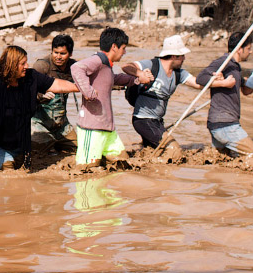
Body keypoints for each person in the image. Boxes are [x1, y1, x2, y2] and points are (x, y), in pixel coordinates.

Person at [70, 27, 142, 171]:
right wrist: (88, 92)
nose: (125, 52)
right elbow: (76, 68)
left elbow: (114, 79)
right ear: (114, 47)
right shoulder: (98, 60)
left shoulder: (106, 66)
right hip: (92, 127)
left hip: (107, 127)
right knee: (87, 168)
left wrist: (136, 80)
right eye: (123, 48)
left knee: (123, 162)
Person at [120, 34, 203, 155]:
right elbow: (126, 66)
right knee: (175, 150)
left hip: (157, 122)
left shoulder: (179, 74)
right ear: (174, 56)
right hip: (143, 120)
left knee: (153, 152)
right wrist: (140, 74)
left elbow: (197, 83)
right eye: (182, 56)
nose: (184, 58)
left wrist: (220, 82)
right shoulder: (153, 65)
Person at [196, 32, 253, 168]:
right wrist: (222, 83)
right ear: (240, 49)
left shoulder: (235, 66)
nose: (251, 52)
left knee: (222, 163)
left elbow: (244, 87)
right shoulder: (223, 62)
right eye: (249, 48)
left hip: (220, 123)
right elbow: (200, 78)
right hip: (225, 124)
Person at [31, 34, 79, 153]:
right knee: (41, 146)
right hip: (38, 121)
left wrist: (120, 85)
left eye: (62, 54)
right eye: (55, 52)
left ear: (70, 53)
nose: (58, 57)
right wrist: (40, 95)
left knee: (79, 149)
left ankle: (57, 142)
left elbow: (92, 81)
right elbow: (25, 92)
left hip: (61, 124)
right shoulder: (41, 66)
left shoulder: (74, 67)